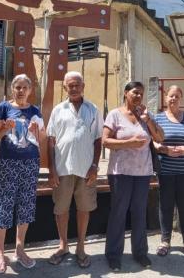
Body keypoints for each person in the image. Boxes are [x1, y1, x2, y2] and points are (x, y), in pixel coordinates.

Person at [103, 81, 164, 271]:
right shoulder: (115, 114)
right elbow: (105, 141)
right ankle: (113, 255)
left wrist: (148, 120)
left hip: (142, 173)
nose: (138, 96)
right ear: (126, 93)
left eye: (141, 93)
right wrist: (129, 142)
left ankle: (140, 253)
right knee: (118, 213)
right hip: (120, 172)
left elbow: (160, 138)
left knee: (139, 213)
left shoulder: (146, 116)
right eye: (135, 92)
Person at [46, 71, 103, 269]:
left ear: (83, 86)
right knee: (61, 209)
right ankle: (63, 246)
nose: (74, 88)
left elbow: (98, 140)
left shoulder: (93, 109)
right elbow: (51, 140)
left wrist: (95, 166)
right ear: (65, 88)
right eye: (70, 85)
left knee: (84, 208)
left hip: (86, 168)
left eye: (77, 84)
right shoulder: (58, 110)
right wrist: (51, 169)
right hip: (62, 168)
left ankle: (80, 247)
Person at [0, 74, 45, 274]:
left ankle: (20, 249)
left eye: (24, 87)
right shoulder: (4, 108)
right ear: (12, 89)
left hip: (30, 163)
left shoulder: (35, 110)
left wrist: (36, 129)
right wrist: (4, 129)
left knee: (26, 204)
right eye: (17, 87)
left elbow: (42, 138)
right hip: (7, 163)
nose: (21, 91)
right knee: (4, 204)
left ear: (30, 90)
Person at [153, 85, 184, 260]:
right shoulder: (158, 119)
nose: (173, 99)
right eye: (170, 96)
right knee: (165, 205)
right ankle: (165, 241)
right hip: (165, 170)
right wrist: (164, 149)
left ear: (181, 98)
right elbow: (152, 142)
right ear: (165, 98)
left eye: (177, 96)